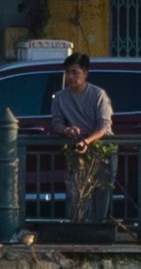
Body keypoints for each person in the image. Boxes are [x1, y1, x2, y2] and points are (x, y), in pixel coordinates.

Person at [42, 48, 116, 214]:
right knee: (76, 191)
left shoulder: (98, 95)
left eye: (75, 73)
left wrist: (87, 141)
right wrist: (67, 130)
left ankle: (98, 226)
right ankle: (78, 225)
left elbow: (104, 126)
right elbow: (56, 123)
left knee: (101, 190)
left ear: (85, 73)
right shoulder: (60, 97)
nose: (70, 77)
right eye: (67, 73)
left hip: (101, 148)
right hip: (76, 148)